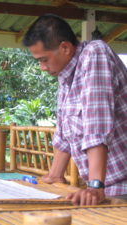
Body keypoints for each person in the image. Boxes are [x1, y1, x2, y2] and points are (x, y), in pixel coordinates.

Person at [23, 14, 127, 206]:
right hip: (107, 186)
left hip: (122, 187)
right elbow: (64, 136)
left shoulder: (95, 53)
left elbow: (97, 125)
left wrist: (95, 186)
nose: (42, 67)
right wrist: (55, 175)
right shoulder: (65, 76)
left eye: (44, 59)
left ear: (65, 48)